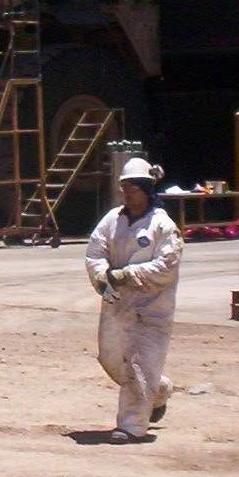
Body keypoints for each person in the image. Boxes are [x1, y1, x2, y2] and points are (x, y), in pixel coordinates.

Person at [84, 157, 184, 444]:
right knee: (112, 359)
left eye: (133, 188)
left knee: (140, 364)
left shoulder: (162, 226)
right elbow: (95, 252)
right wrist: (103, 275)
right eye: (124, 188)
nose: (127, 194)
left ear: (146, 190)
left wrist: (127, 275)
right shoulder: (113, 220)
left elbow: (166, 266)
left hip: (152, 309)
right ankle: (159, 390)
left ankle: (131, 427)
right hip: (116, 306)